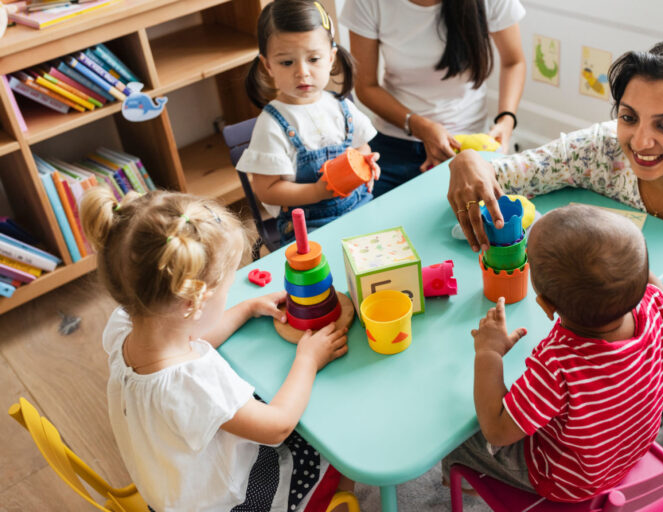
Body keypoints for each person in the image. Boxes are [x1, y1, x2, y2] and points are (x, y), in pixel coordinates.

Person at [447, 40, 663, 491]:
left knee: (476, 403)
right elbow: (510, 173)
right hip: (621, 317)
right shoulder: (603, 148)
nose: (640, 142)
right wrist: (467, 159)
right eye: (628, 116)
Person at [80, 187, 353, 511]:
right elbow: (276, 426)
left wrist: (247, 308)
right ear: (193, 302)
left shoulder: (126, 326)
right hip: (224, 502)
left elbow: (191, 340)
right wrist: (307, 361)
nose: (229, 297)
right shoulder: (193, 384)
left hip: (172, 485)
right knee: (334, 447)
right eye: (226, 290)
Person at [442, 204, 663, 501]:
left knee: (458, 434)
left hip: (569, 482)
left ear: (547, 306)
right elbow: (656, 289)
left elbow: (497, 430)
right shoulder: (656, 304)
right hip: (629, 450)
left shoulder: (558, 364)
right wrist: (625, 265)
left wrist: (489, 353)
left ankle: (465, 483)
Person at [341, 0, 526, 197]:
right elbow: (366, 86)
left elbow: (514, 62)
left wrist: (506, 120)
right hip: (394, 143)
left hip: (467, 145)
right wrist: (421, 127)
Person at [238, 0, 380, 245]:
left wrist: (364, 161)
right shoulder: (272, 125)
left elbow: (362, 147)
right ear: (268, 65)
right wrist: (316, 191)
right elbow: (266, 189)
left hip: (360, 206)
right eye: (287, 62)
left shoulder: (342, 107)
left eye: (313, 59)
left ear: (331, 57)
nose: (302, 72)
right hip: (308, 227)